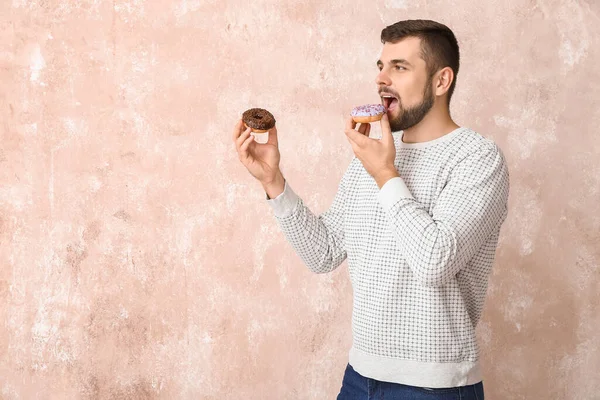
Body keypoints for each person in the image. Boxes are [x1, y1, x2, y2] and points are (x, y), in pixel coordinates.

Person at [233, 19, 509, 400]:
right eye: (381, 66)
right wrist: (273, 182)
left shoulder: (477, 158)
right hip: (359, 377)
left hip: (433, 386)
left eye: (400, 67)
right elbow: (324, 252)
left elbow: (435, 260)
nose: (383, 79)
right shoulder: (374, 153)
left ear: (441, 81)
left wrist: (384, 172)